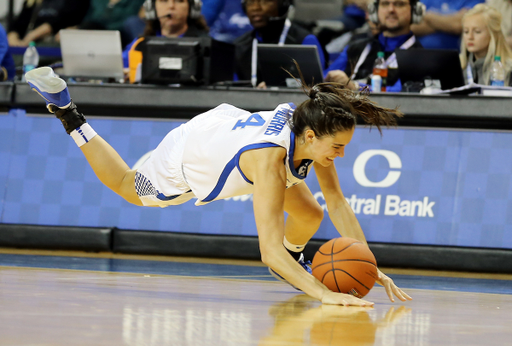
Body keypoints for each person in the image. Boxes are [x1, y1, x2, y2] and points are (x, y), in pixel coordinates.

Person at [25, 65, 412, 306]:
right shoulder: (270, 162)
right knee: (129, 186)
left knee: (310, 212)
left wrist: (370, 265)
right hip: (192, 156)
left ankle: (297, 263)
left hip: (225, 127)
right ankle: (68, 113)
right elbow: (268, 252)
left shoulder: (311, 130)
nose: (341, 155)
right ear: (310, 137)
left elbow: (337, 203)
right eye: (338, 147)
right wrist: (324, 294)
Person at [324, 0, 424, 92]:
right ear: (374, 11)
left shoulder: (419, 57)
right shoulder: (356, 47)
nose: (391, 10)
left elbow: (401, 95)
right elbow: (324, 78)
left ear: (415, 11)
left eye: (399, 4)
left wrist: (355, 87)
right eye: (385, 3)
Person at [234, 0, 326, 85]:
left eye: (264, 1)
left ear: (283, 5)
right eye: (250, 2)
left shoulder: (305, 40)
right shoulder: (239, 45)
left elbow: (316, 86)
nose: (255, 8)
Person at [122, 0, 209, 80]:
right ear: (152, 8)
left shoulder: (207, 47)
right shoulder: (138, 45)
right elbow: (119, 69)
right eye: (164, 1)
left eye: (179, 1)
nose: (171, 6)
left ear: (192, 8)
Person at [460, 4, 512, 85]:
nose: (470, 37)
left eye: (477, 31)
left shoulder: (509, 70)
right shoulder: (459, 67)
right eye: (466, 31)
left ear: (493, 35)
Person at [7, 0, 90, 46]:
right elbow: (19, 23)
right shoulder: (34, 2)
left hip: (54, 46)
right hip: (28, 46)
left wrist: (29, 38)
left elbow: (60, 21)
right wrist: (13, 36)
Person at [411, 0, 484, 50]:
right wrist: (447, 23)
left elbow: (460, 25)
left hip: (456, 57)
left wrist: (428, 16)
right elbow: (411, 27)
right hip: (421, 53)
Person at [79, 0, 146, 47]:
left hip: (122, 36)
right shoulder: (97, 1)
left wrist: (106, 31)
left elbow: (132, 22)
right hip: (94, 33)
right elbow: (89, 18)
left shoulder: (137, 2)